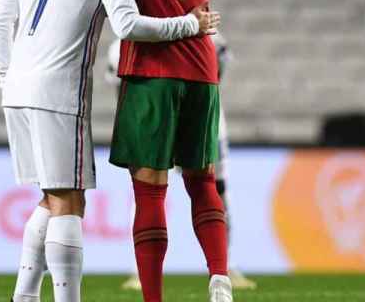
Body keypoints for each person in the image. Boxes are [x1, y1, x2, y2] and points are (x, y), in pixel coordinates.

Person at [0, 0, 220, 302]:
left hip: (16, 90)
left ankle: (23, 295)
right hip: (59, 93)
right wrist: (190, 23)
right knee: (69, 204)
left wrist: (6, 76)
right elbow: (129, 25)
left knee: (50, 195)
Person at [107, 32, 257, 291]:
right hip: (176, 110)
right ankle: (219, 272)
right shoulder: (207, 33)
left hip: (168, 111)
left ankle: (224, 266)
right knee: (202, 187)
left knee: (153, 192)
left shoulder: (129, 35)